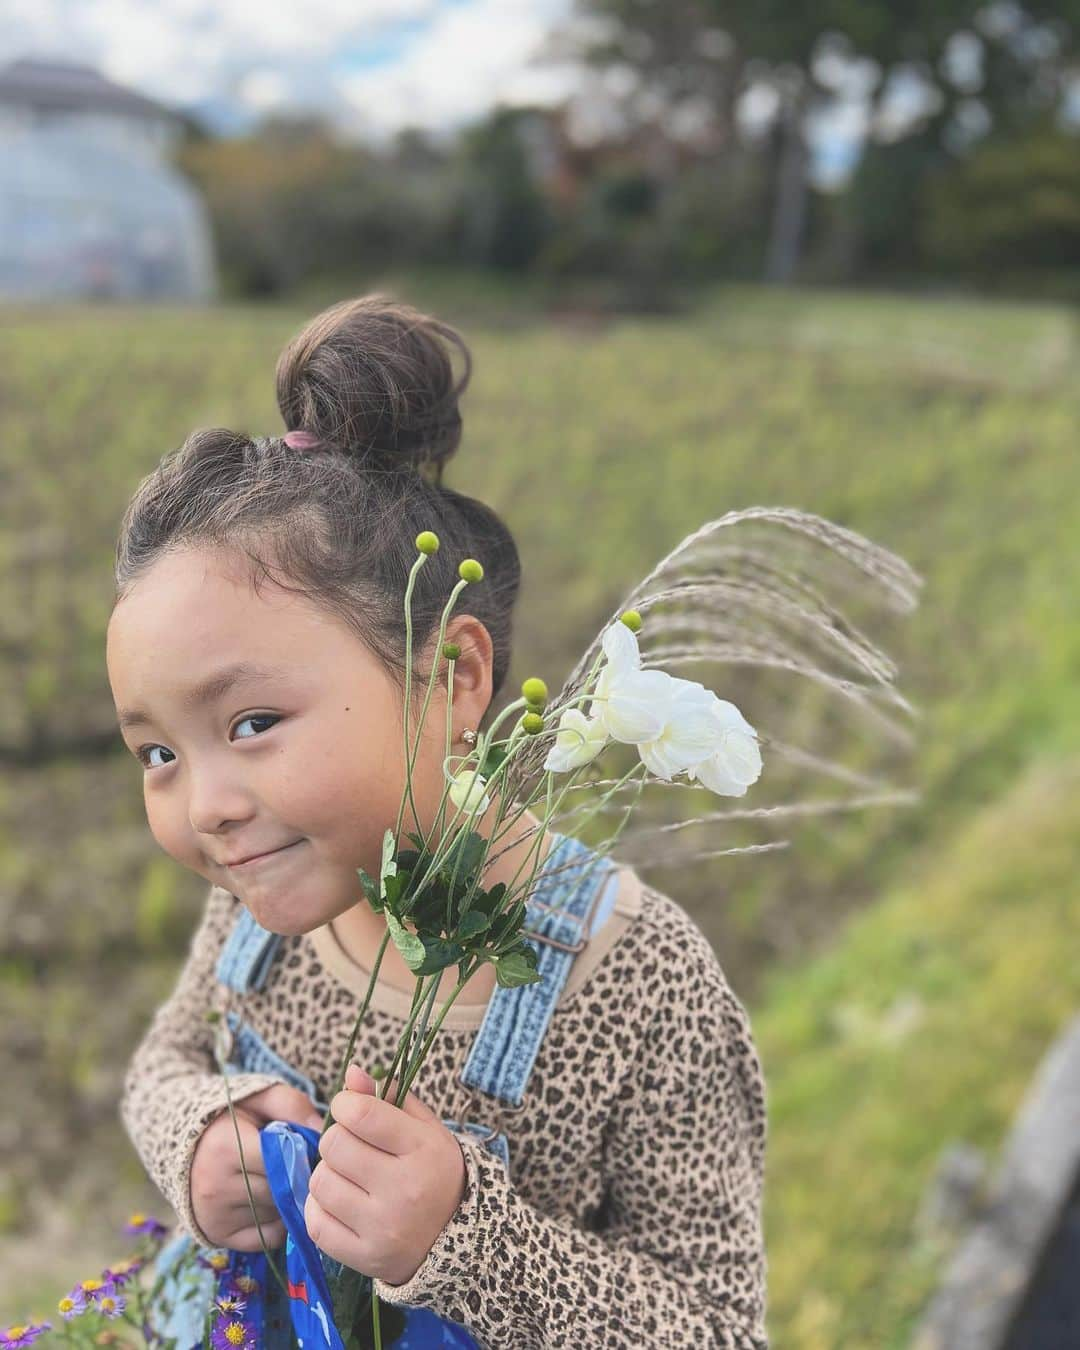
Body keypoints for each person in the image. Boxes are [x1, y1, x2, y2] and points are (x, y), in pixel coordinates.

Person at [108, 293, 770, 1348]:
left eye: (253, 720)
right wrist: (201, 1133)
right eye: (158, 752)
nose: (207, 808)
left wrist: (464, 1240)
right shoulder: (256, 917)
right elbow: (163, 1068)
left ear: (453, 678)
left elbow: (717, 1327)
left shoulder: (639, 982)